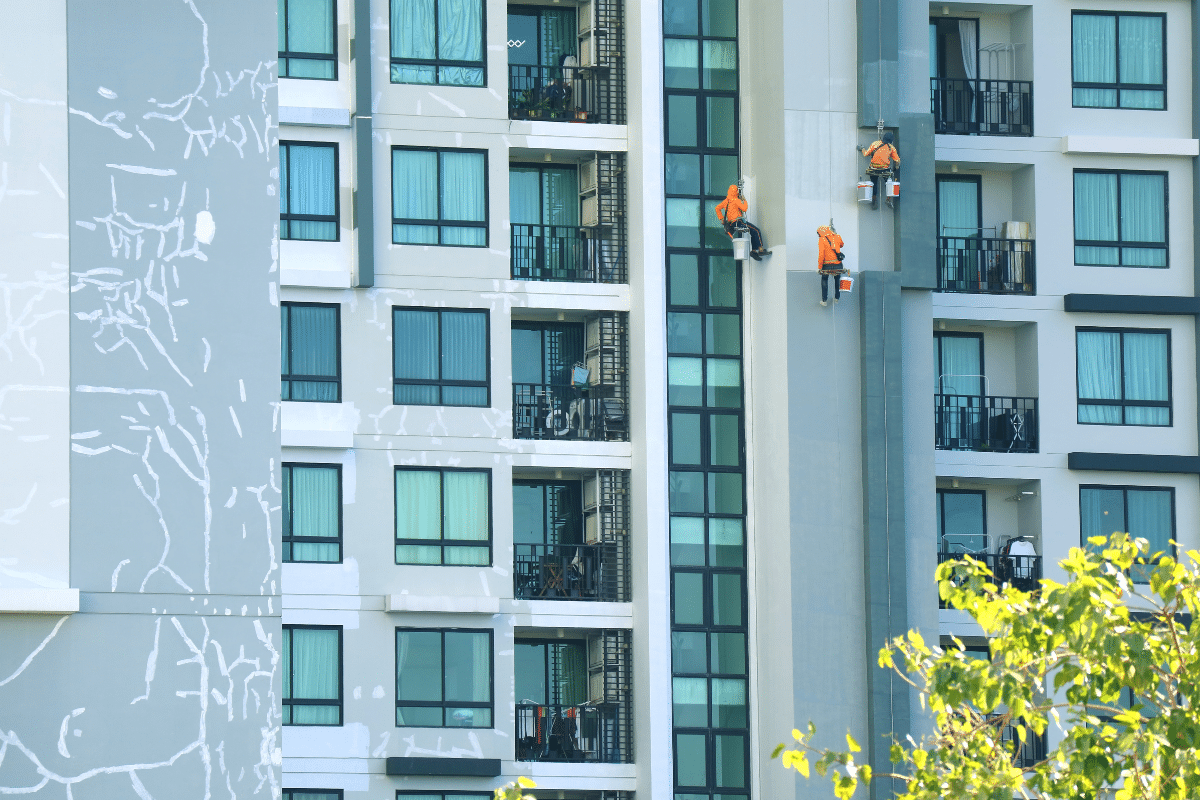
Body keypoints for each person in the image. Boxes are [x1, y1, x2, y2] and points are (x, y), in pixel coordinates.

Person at [715, 184, 768, 260]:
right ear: (736, 192)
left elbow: (717, 208)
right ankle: (760, 250)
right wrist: (744, 200)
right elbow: (744, 209)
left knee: (752, 232)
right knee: (756, 230)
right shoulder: (736, 200)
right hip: (739, 222)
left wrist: (721, 219)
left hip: (732, 224)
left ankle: (754, 251)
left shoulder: (726, 201)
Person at [860, 131, 900, 209]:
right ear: (891, 141)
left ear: (883, 138)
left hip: (873, 169)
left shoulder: (875, 144)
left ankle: (874, 201)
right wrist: (896, 167)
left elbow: (866, 154)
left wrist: (862, 149)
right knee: (889, 184)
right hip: (885, 170)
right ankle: (888, 200)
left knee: (874, 184)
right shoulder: (891, 148)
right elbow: (897, 160)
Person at [817, 225, 845, 306]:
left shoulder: (822, 239)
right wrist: (835, 235)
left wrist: (819, 267)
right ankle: (837, 298)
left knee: (824, 279)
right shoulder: (837, 236)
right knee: (837, 279)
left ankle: (824, 300)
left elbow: (821, 254)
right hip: (838, 264)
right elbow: (841, 245)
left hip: (827, 265)